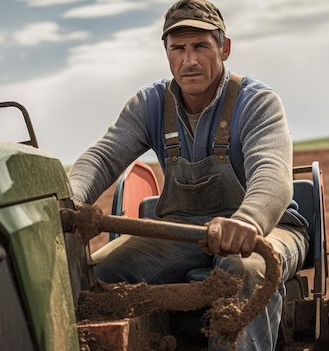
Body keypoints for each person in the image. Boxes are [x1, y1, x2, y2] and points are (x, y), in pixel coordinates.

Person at [68, 0, 309, 349]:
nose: (189, 60)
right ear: (166, 53)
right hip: (184, 231)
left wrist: (249, 221)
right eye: (178, 48)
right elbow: (103, 156)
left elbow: (272, 175)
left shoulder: (258, 102)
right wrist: (72, 198)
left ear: (224, 48)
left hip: (264, 231)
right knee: (94, 275)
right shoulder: (149, 104)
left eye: (200, 47)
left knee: (245, 270)